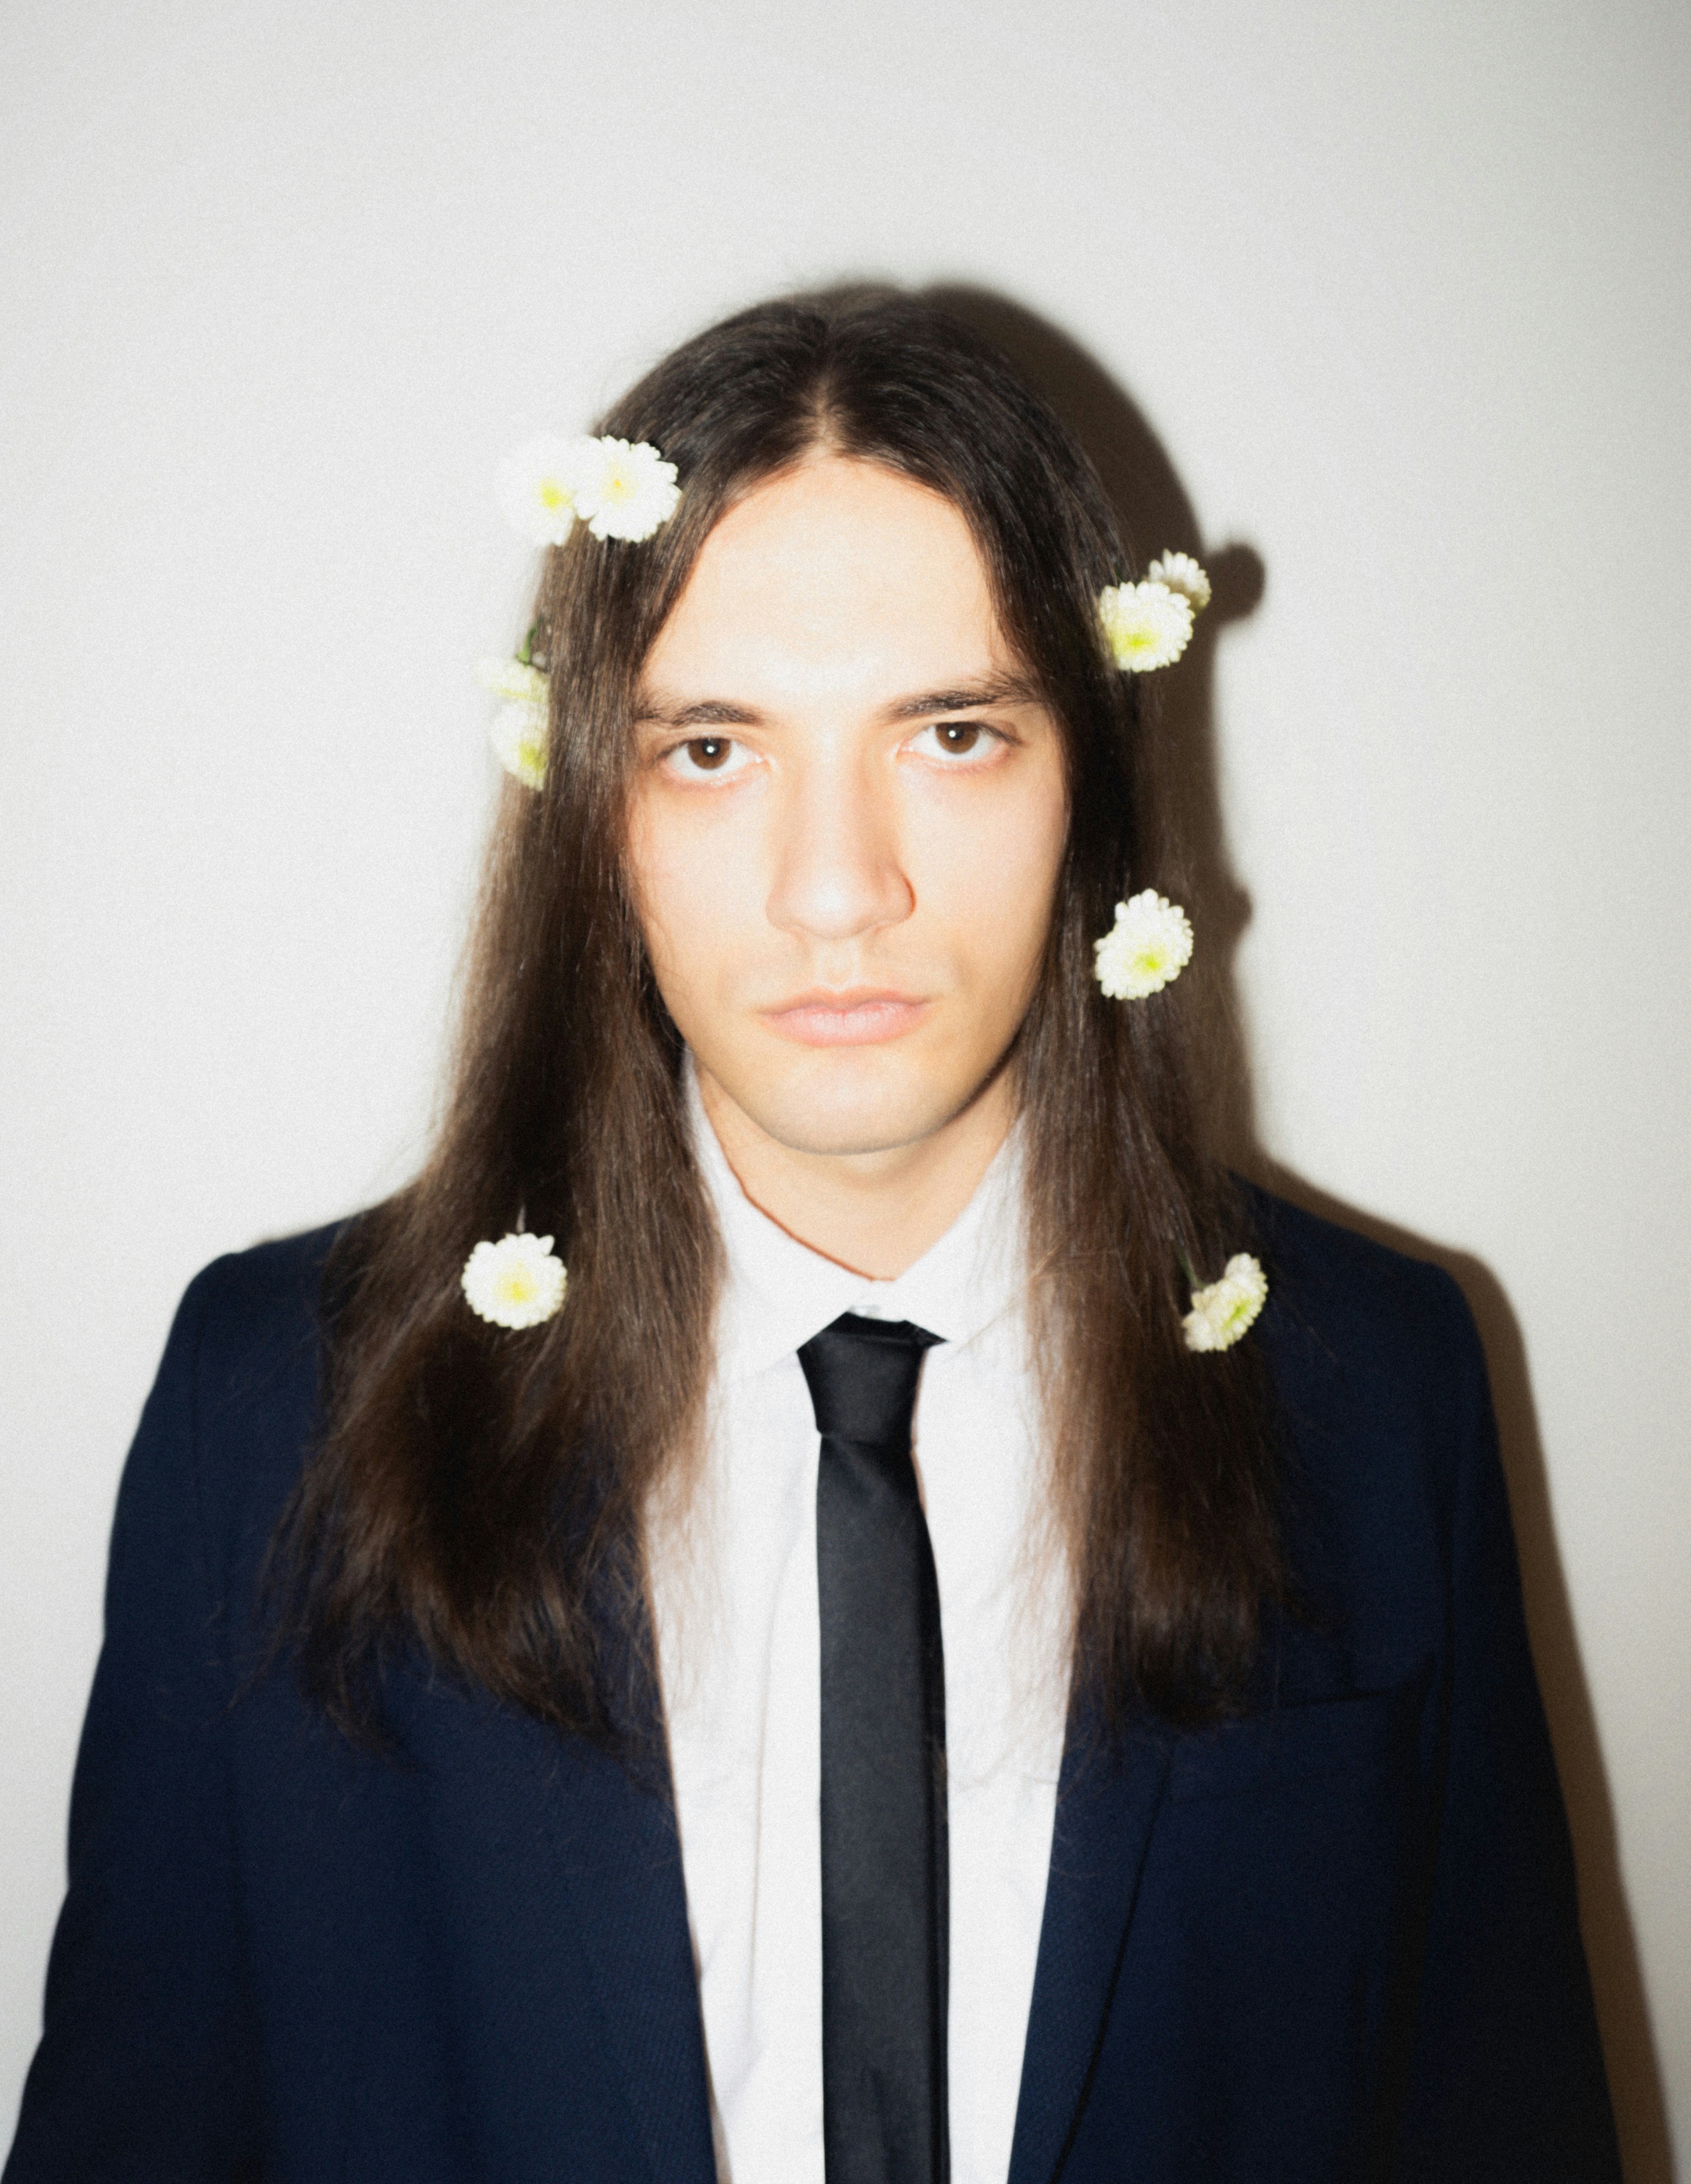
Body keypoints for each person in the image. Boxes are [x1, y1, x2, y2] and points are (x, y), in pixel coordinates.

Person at [5, 291, 1619, 2184]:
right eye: (710, 747)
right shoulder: (278, 1399)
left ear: (1084, 779)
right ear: (593, 810)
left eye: (948, 731)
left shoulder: (1371, 1383)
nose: (837, 886)